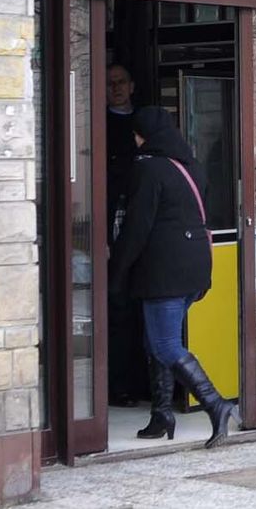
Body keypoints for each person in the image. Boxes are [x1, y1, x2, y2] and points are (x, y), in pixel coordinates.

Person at [109, 106, 237, 447]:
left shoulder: (148, 168)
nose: (135, 140)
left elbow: (137, 226)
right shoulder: (190, 165)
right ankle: (161, 414)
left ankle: (215, 404)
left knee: (164, 344)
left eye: (136, 134)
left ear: (144, 135)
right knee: (157, 342)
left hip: (164, 271)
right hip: (194, 268)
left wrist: (117, 268)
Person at [103, 64, 149, 407]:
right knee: (118, 310)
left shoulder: (145, 123)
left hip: (144, 229)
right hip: (114, 227)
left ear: (132, 85)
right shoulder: (100, 125)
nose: (115, 88)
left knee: (143, 310)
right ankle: (118, 386)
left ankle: (143, 383)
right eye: (109, 83)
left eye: (120, 82)